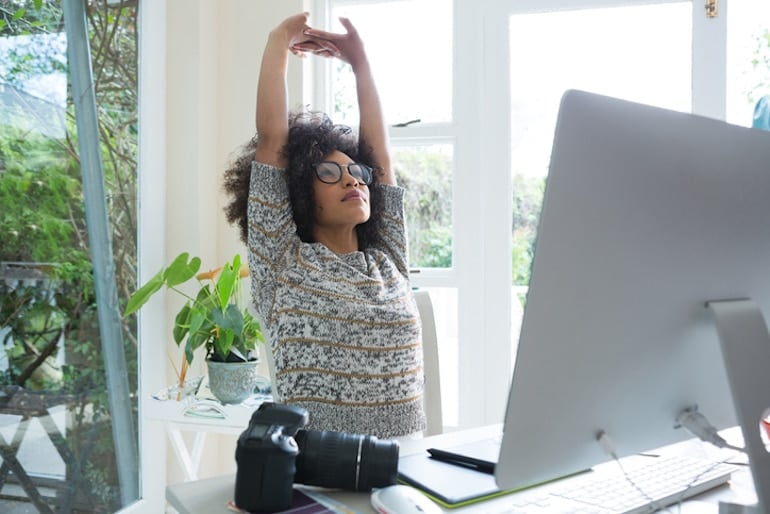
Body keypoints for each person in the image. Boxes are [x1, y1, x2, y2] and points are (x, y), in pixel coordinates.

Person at [223, 13, 426, 439]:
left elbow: (381, 160)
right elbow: (272, 143)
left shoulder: (388, 260)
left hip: (406, 471)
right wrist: (279, 42)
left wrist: (361, 63)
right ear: (300, 193)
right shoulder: (283, 264)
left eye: (356, 172)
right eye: (330, 174)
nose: (354, 179)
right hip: (320, 479)